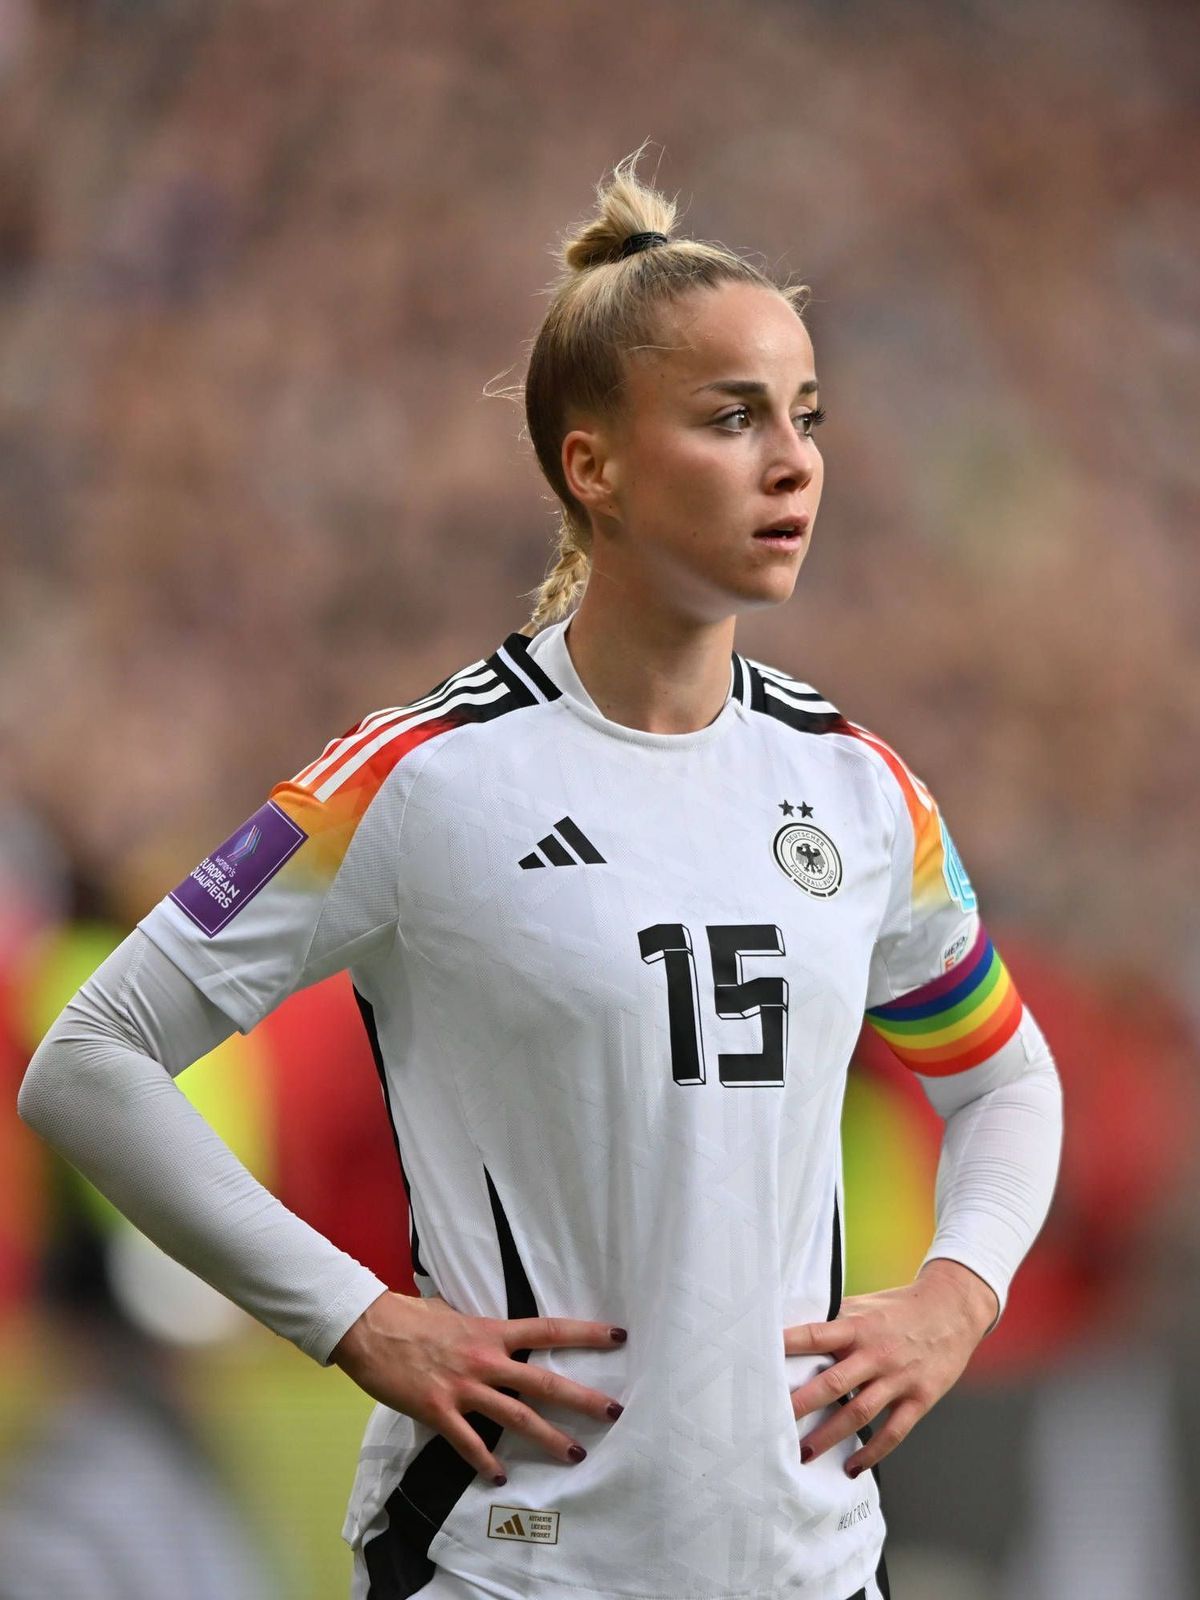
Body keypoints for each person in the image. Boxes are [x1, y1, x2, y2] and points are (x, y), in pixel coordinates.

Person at [18, 149, 1063, 1600]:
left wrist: (958, 1295)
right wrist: (354, 1318)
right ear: (595, 465)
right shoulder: (417, 777)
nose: (793, 460)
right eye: (731, 417)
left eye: (806, 418)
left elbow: (1005, 1078)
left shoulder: (861, 789)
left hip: (814, 1568)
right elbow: (92, 1059)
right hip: (516, 1569)